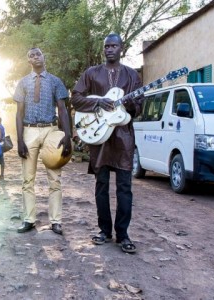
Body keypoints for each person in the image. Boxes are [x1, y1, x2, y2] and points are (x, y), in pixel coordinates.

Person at [70, 33, 143, 253]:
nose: (109, 49)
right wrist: (99, 102)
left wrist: (128, 106)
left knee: (124, 187)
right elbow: (76, 98)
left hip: (123, 137)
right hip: (98, 135)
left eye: (114, 46)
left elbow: (139, 105)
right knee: (101, 185)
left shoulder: (132, 75)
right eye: (106, 46)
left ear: (122, 48)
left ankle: (123, 234)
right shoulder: (92, 73)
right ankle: (104, 230)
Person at [13, 47, 72, 235]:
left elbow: (62, 109)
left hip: (51, 130)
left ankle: (56, 221)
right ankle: (29, 219)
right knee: (27, 179)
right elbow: (19, 113)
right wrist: (20, 140)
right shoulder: (22, 83)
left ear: (43, 56)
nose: (35, 57)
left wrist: (67, 136)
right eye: (31, 55)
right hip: (29, 130)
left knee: (55, 179)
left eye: (38, 54)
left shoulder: (55, 81)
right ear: (28, 61)